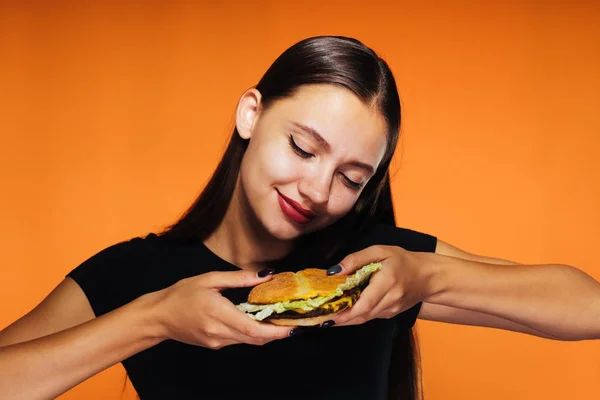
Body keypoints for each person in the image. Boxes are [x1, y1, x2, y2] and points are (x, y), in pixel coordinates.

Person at [0, 35, 598, 400]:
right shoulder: (135, 274)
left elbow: (587, 308)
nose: (315, 189)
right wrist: (153, 319)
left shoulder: (368, 268)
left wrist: (428, 276)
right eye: (304, 148)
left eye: (350, 178)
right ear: (251, 114)